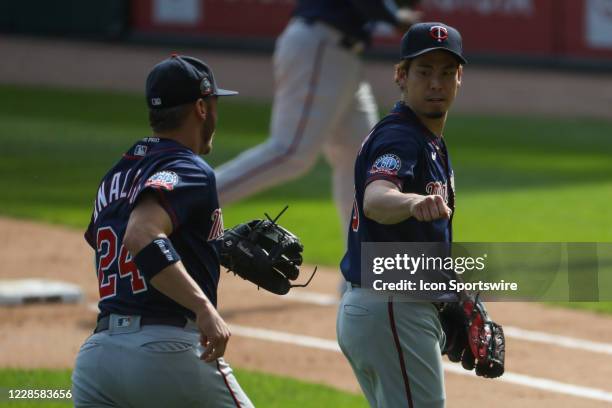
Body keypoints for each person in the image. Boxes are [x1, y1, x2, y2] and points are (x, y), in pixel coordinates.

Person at [72, 55, 253, 408]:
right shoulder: (189, 167)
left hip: (97, 360)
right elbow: (141, 235)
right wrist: (203, 307)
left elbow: (118, 241)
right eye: (214, 103)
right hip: (165, 351)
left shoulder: (115, 174)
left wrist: (205, 247)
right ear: (202, 108)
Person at [336, 22, 467, 407]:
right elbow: (377, 196)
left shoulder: (428, 141)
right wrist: (411, 202)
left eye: (446, 73)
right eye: (424, 72)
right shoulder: (401, 138)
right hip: (392, 308)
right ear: (401, 76)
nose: (436, 84)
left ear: (460, 78)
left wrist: (451, 292)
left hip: (384, 309)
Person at [215, 0, 421, 234]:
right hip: (322, 44)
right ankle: (182, 199)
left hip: (341, 55)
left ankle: (358, 267)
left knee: (362, 158)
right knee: (290, 152)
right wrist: (395, 17)